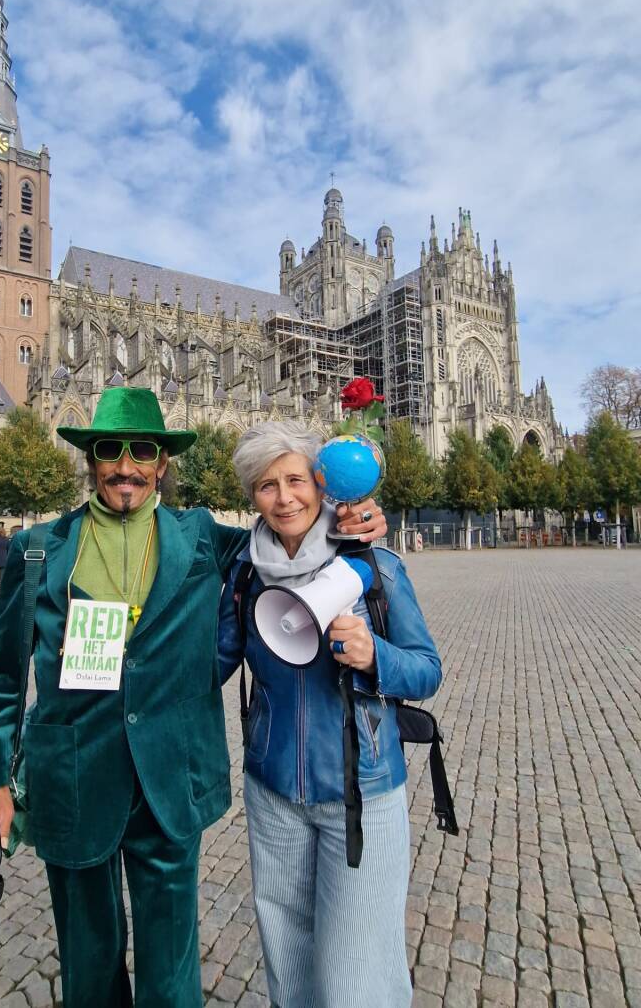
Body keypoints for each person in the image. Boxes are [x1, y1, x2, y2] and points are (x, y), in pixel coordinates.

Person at [0, 387, 386, 1008]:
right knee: (87, 964)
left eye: (142, 451)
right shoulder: (38, 549)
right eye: (110, 450)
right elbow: (2, 678)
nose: (126, 466)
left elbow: (285, 538)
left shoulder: (203, 538)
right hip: (73, 779)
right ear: (91, 459)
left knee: (171, 969)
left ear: (162, 462)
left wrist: (350, 519)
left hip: (170, 779)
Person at [217, 420, 441, 1008]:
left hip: (360, 791)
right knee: (288, 963)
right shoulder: (245, 572)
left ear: (320, 484)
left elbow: (426, 669)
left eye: (295, 480)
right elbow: (215, 661)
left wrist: (374, 656)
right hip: (272, 793)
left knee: (355, 978)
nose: (284, 498)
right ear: (253, 496)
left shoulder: (373, 563)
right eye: (267, 485)